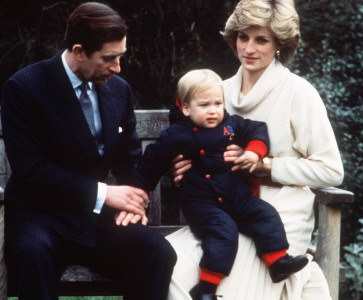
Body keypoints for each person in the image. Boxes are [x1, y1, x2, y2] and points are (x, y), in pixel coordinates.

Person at [167, 0, 344, 299]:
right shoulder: (216, 92)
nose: (249, 48)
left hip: (278, 214)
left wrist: (267, 165)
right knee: (169, 264)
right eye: (243, 37)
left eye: (261, 40)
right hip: (220, 211)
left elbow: (331, 170)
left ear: (279, 44)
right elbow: (186, 140)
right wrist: (181, 164)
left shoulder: (299, 92)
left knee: (230, 282)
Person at [0, 2, 176, 300]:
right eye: (109, 58)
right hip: (39, 217)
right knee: (34, 255)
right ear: (79, 51)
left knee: (156, 250)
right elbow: (30, 170)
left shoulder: (119, 90)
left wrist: (134, 200)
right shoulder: (25, 87)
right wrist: (105, 193)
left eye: (120, 57)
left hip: (95, 219)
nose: (118, 67)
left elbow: (130, 161)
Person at [128, 69, 308, 300]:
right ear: (185, 108)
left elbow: (257, 129)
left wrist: (254, 152)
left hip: (236, 196)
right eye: (204, 105)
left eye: (218, 103)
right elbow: (150, 163)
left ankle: (277, 263)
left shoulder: (230, 126)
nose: (213, 110)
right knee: (224, 234)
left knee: (265, 213)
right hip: (202, 204)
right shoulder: (177, 135)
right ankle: (206, 289)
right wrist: (136, 193)